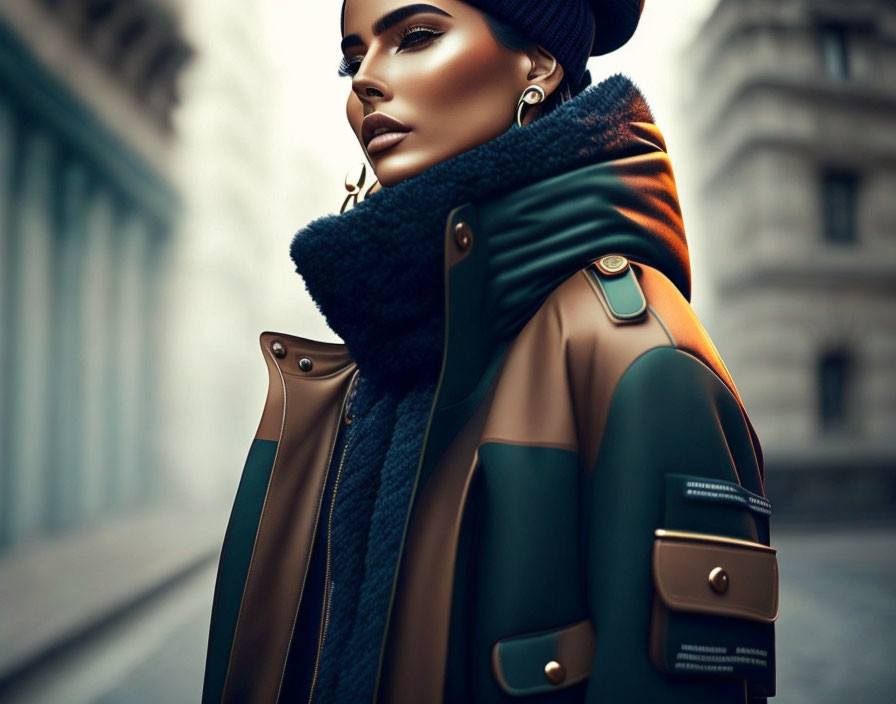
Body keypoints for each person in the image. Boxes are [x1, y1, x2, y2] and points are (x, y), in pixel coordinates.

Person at [201, 1, 779, 703]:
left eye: (414, 37)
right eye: (353, 58)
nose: (365, 82)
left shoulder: (637, 357)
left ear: (537, 64)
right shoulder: (354, 381)